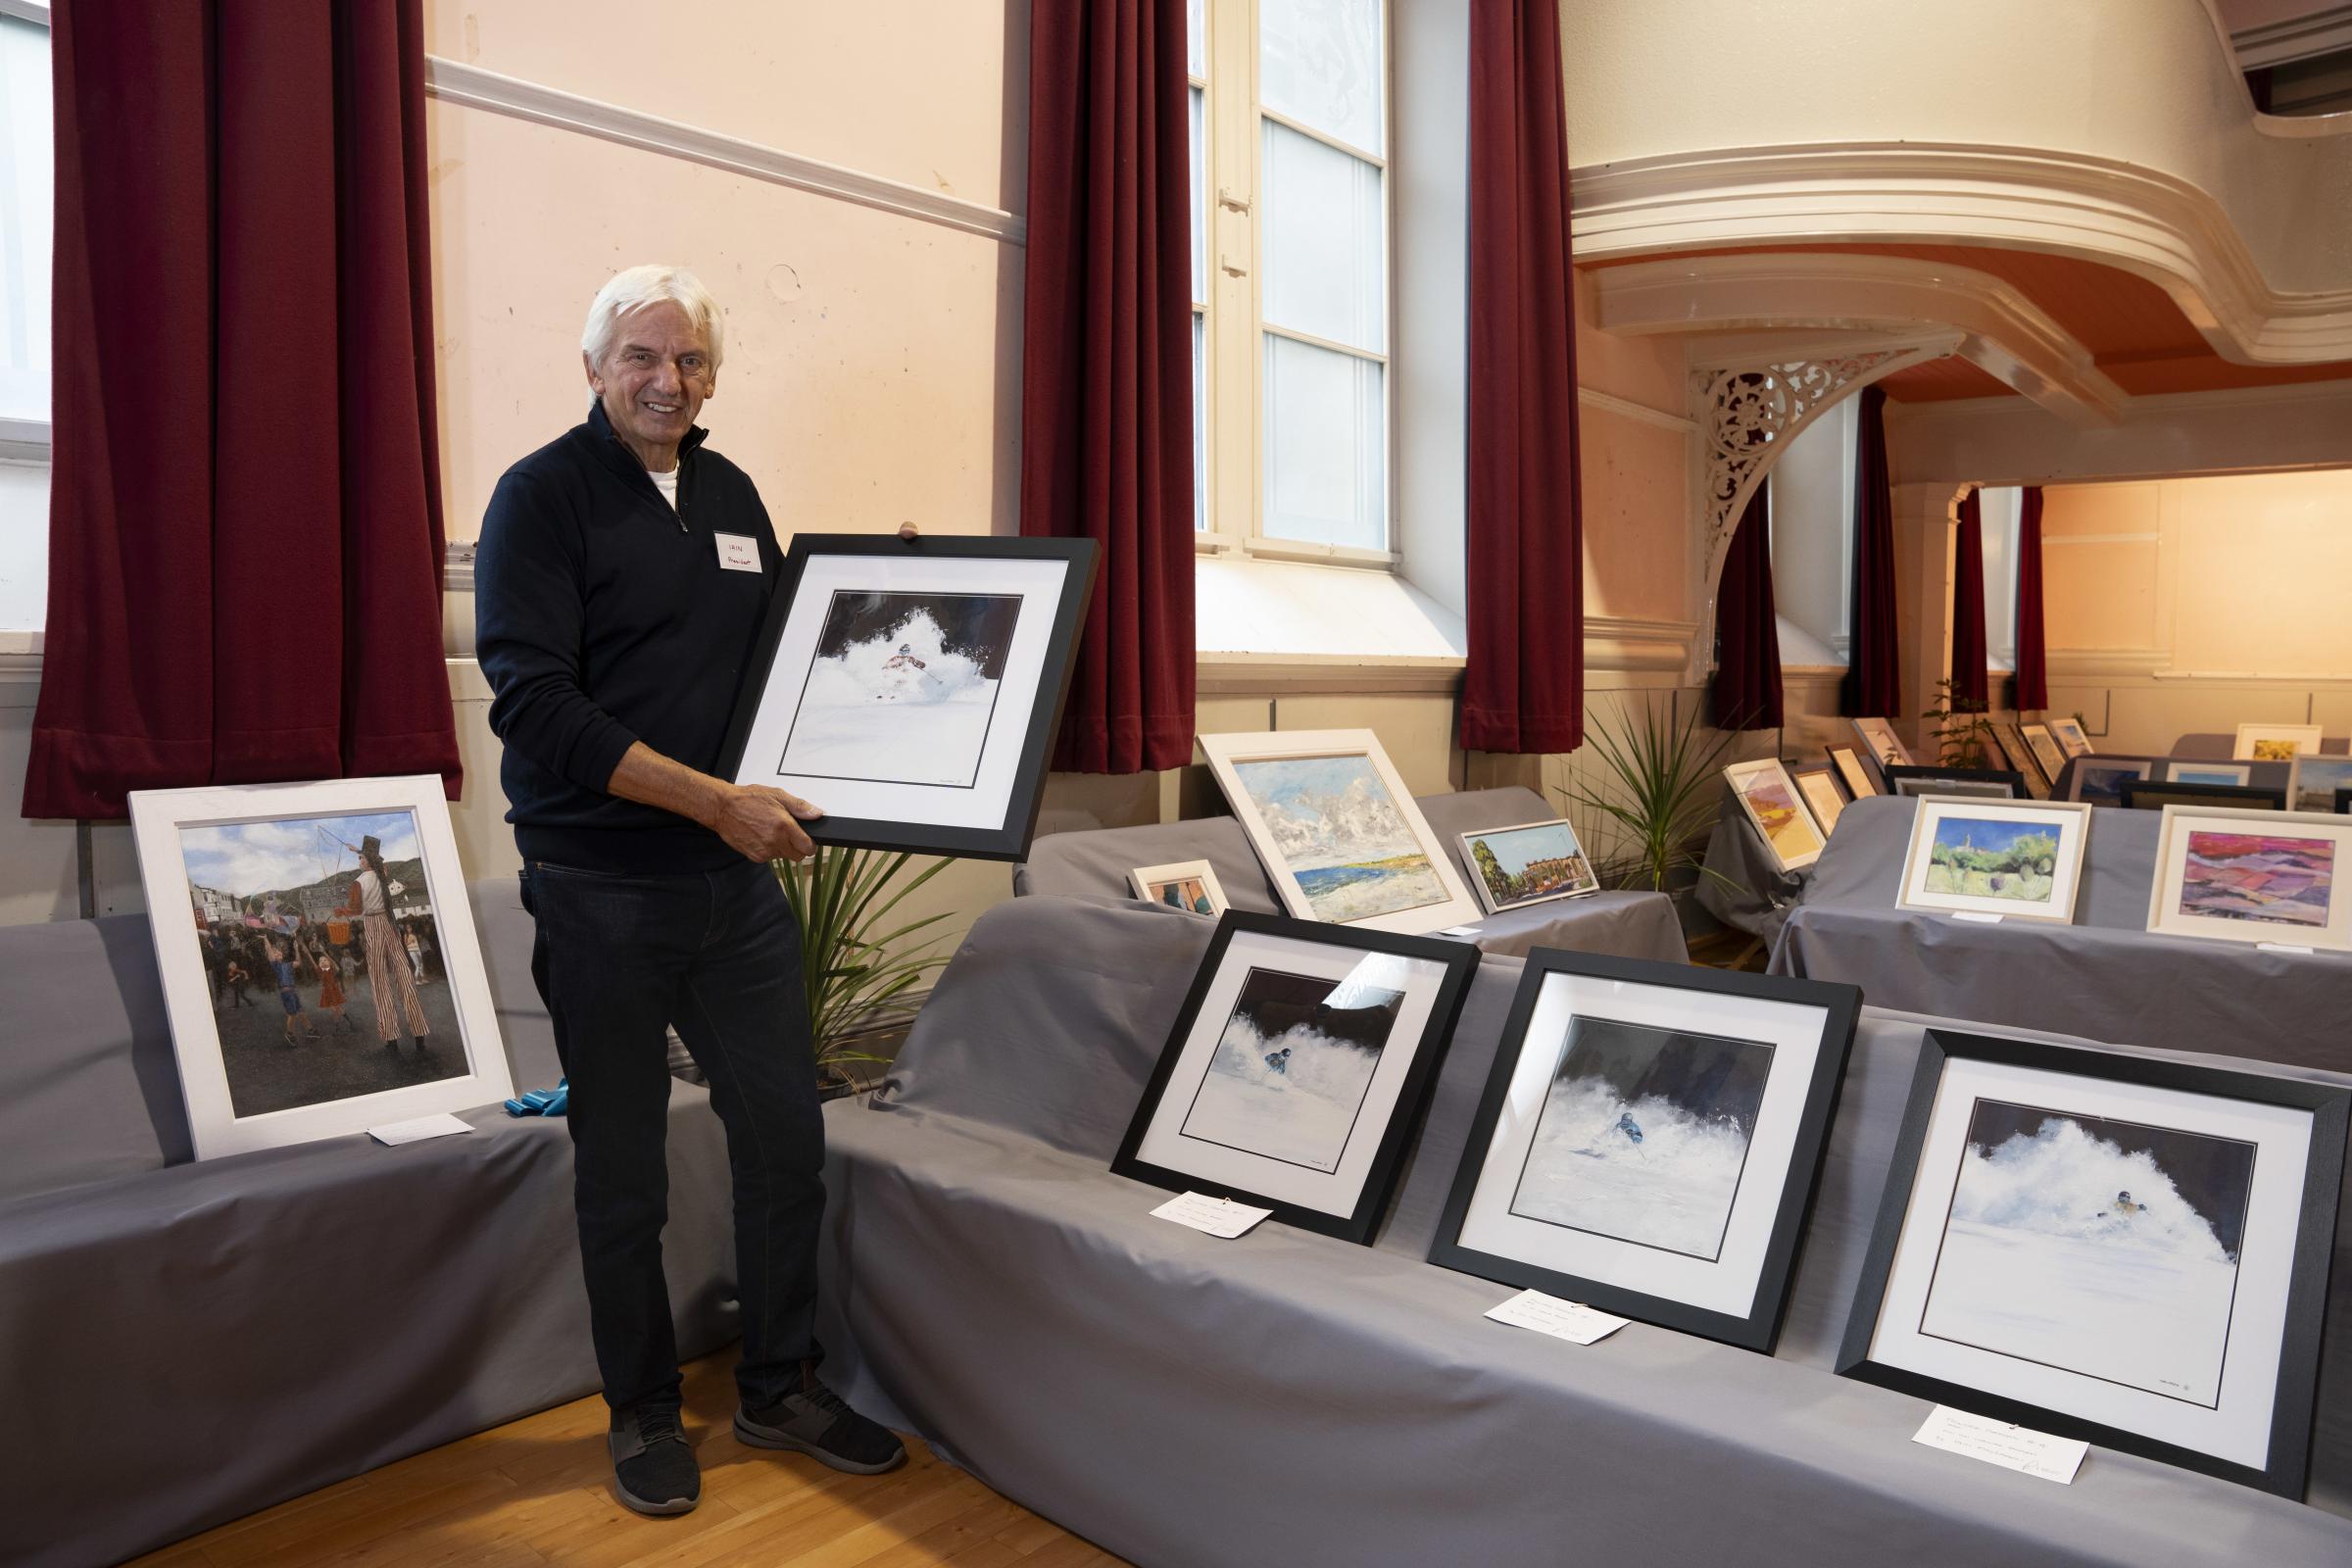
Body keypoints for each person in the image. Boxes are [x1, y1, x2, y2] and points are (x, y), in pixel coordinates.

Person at [475, 264, 904, 1519]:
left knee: (787, 1141)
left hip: (730, 889)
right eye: (644, 359)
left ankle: (778, 1383)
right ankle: (645, 1413)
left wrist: (901, 615)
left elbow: (787, 664)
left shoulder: (729, 493)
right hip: (599, 886)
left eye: (693, 362)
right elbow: (534, 703)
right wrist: (716, 800)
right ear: (596, 366)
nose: (670, 381)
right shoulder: (540, 498)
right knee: (625, 1170)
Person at [339, 836, 431, 1054]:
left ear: (367, 860)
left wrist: (340, 911)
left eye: (361, 858)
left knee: (380, 981)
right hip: (389, 923)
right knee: (404, 977)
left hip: (372, 925)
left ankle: (391, 1036)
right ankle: (419, 1033)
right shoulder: (383, 874)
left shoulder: (358, 882)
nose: (359, 860)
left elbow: (353, 910)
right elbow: (377, 863)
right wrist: (357, 850)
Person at [266, 935, 322, 1046]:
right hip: (286, 993)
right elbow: (269, 950)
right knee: (292, 1014)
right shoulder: (275, 965)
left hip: (292, 992)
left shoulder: (287, 965)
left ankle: (310, 1030)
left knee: (300, 1012)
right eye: (276, 953)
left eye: (279, 952)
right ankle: (289, 1034)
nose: (278, 954)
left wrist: (296, 949)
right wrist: (266, 940)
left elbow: (298, 962)